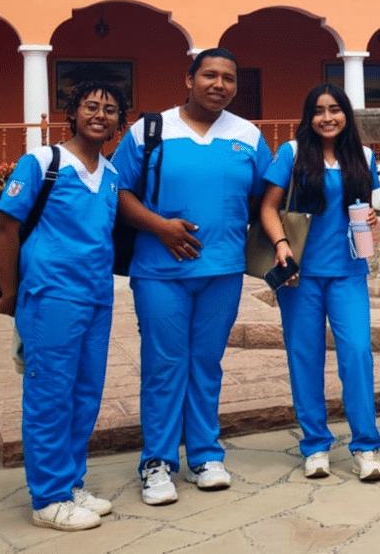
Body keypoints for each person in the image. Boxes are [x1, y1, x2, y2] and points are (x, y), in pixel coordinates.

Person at [111, 48, 273, 505]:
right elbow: (120, 191)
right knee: (164, 365)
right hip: (160, 273)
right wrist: (159, 226)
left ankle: (205, 455)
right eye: (209, 75)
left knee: (206, 364)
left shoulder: (248, 136)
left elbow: (268, 198)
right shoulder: (151, 130)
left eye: (228, 78)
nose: (218, 84)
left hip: (223, 271)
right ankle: (157, 463)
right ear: (189, 79)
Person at [0, 81, 127, 531]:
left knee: (85, 395)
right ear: (72, 112)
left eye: (110, 110)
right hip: (51, 296)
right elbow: (5, 228)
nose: (100, 115)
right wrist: (9, 292)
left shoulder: (110, 176)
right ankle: (48, 498)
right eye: (91, 106)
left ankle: (70, 482)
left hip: (96, 298)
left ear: (118, 122)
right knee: (50, 395)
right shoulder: (43, 162)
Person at [260, 83, 380, 482]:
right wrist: (281, 245)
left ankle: (366, 447)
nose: (327, 117)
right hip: (300, 275)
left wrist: (373, 224)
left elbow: (365, 210)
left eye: (335, 109)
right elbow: (267, 207)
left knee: (357, 356)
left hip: (349, 272)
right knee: (305, 358)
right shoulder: (292, 154)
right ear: (308, 117)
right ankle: (315, 446)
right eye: (318, 110)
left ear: (346, 114)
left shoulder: (363, 156)